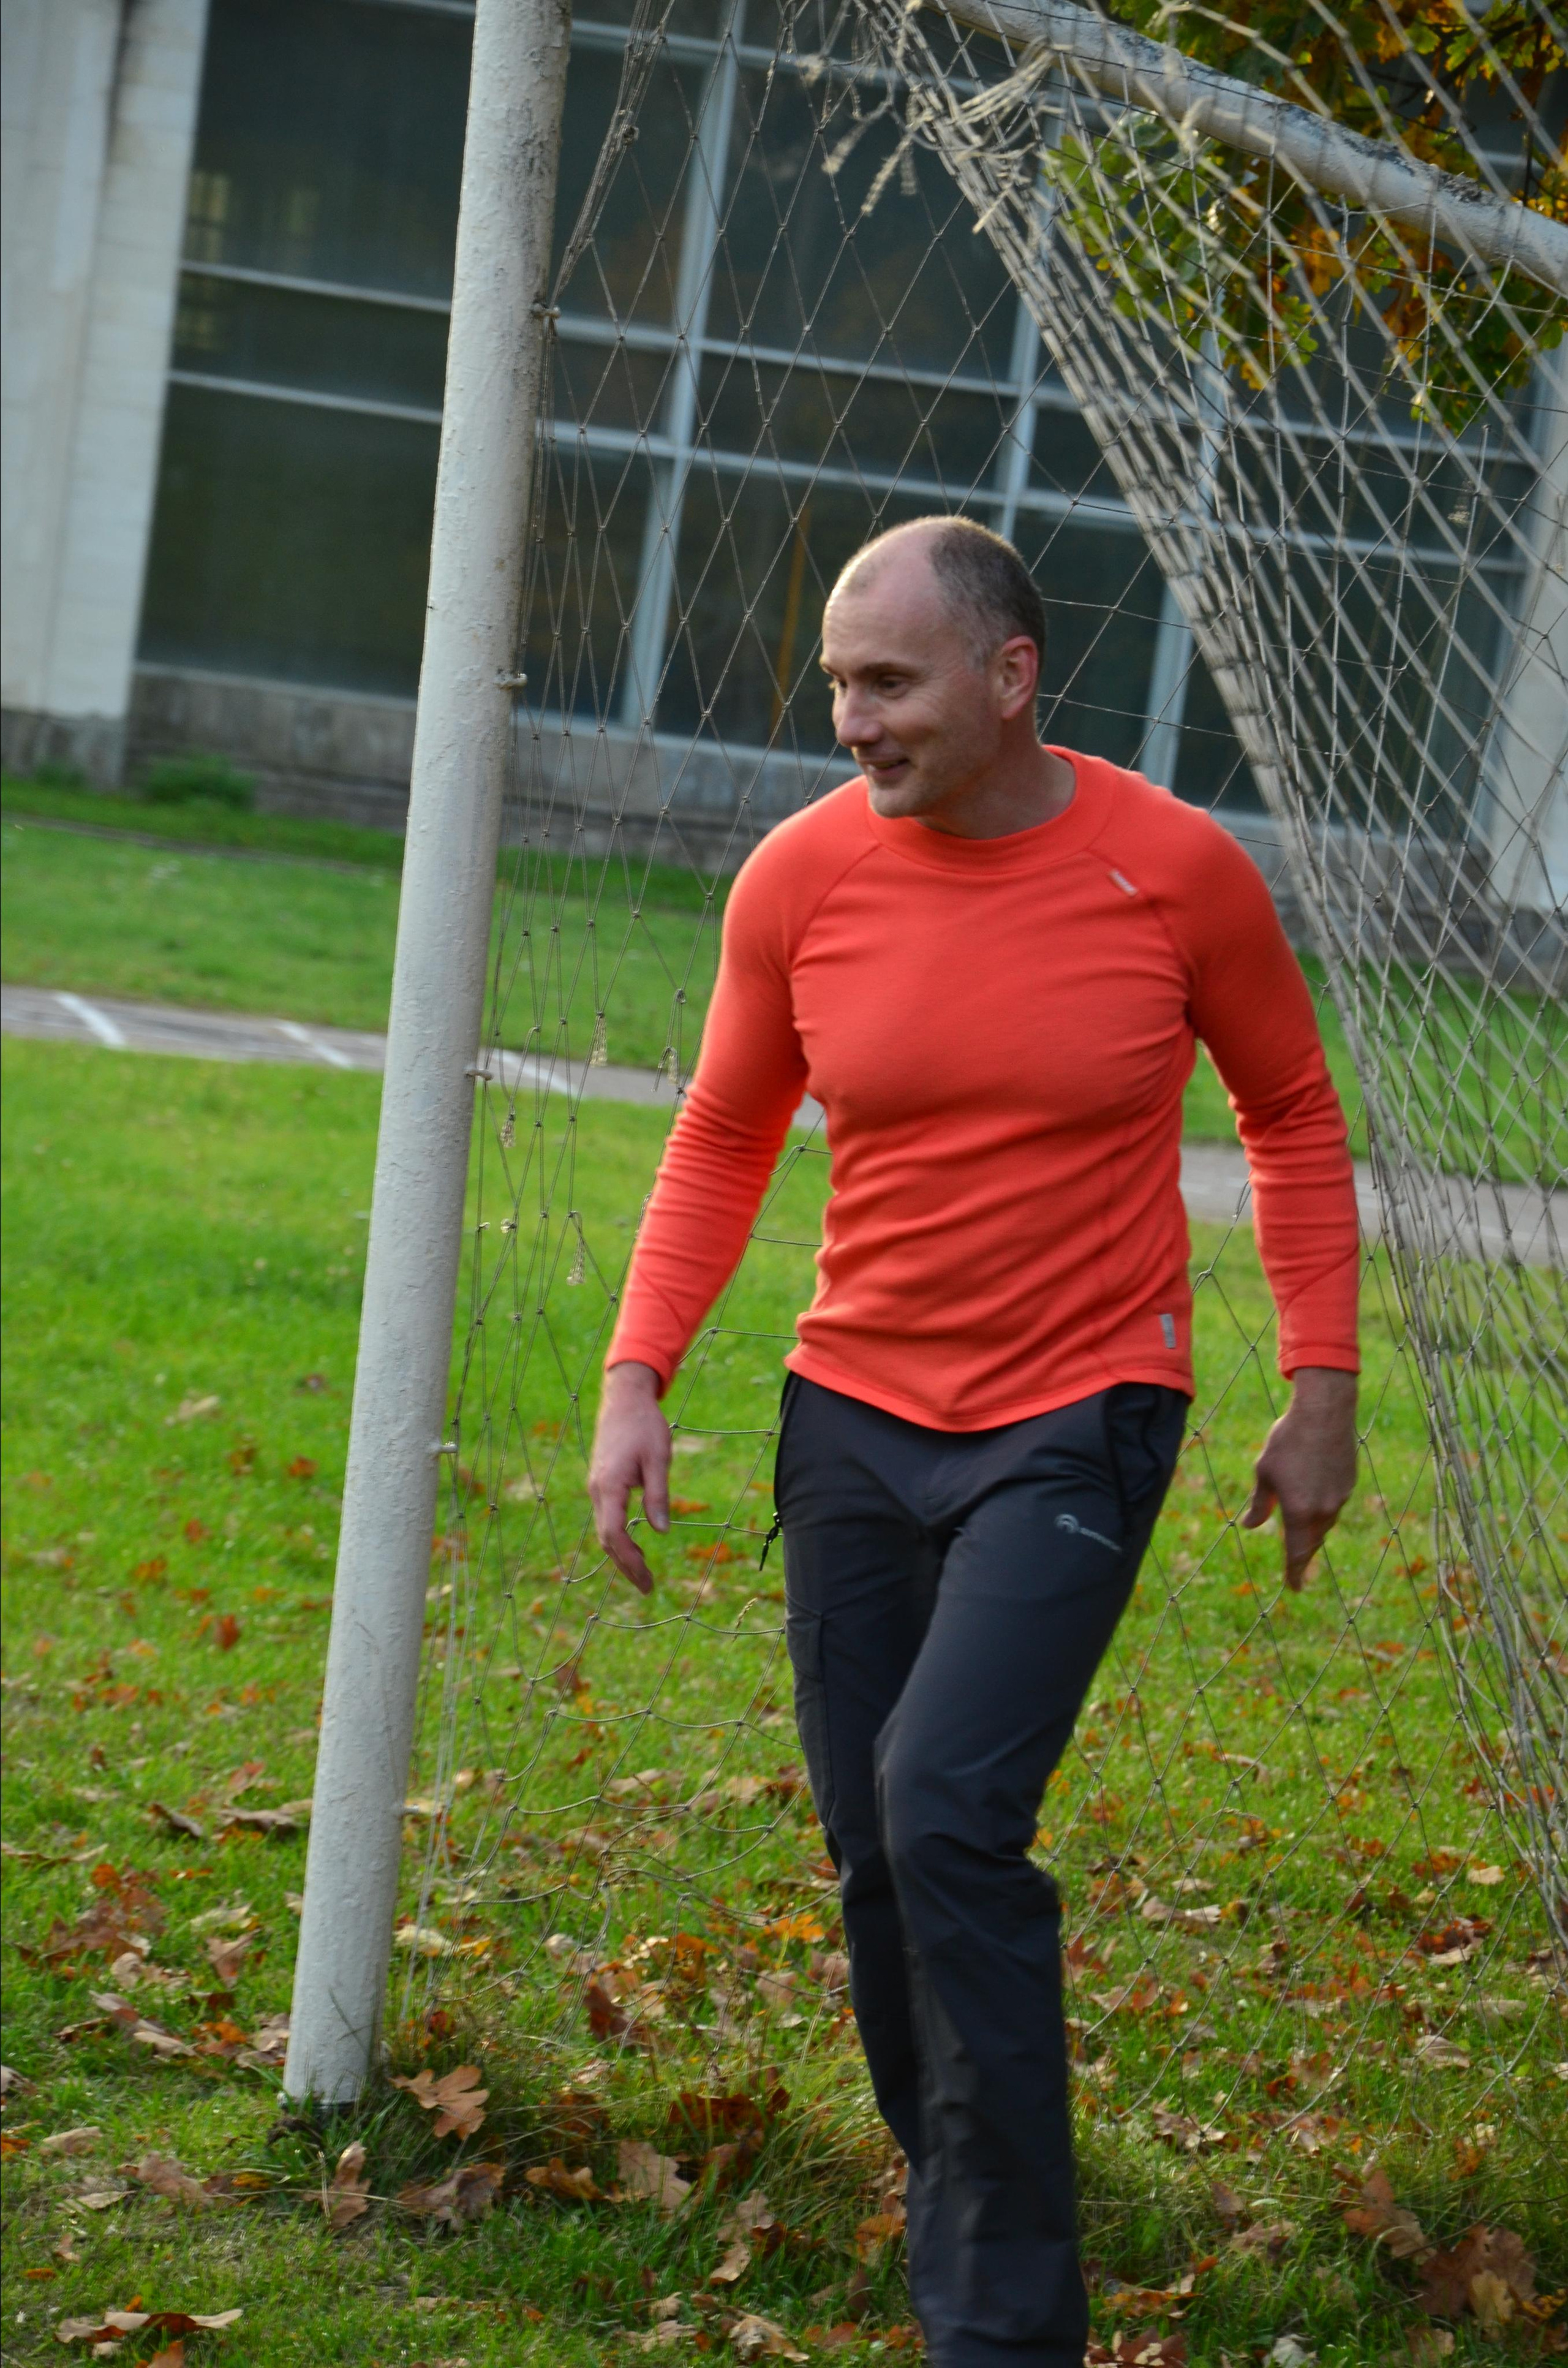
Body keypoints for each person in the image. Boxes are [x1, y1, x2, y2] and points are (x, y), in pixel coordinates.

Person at [589, 515, 1359, 2366]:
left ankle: (1002, 2320)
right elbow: (718, 1133)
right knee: (874, 1843)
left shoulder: (1175, 873)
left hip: (1084, 1406)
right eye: (839, 682)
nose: (849, 719)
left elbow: (1292, 1110)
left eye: (887, 682)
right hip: (854, 1412)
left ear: (1010, 680)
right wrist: (638, 1373)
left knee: (948, 1803)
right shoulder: (796, 880)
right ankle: (965, 2161)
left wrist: (1321, 1386)